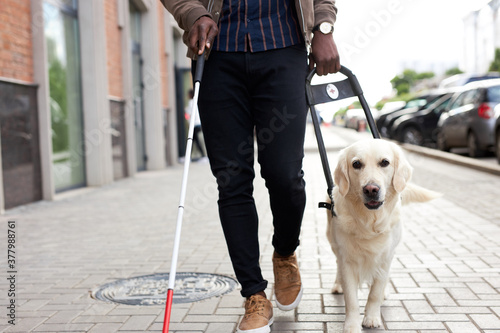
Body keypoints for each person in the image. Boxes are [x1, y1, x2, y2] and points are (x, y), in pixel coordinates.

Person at [162, 1, 340, 332]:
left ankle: (285, 253)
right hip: (217, 54)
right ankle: (254, 294)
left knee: (285, 175)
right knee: (232, 181)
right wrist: (192, 14)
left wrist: (323, 26)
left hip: (283, 48)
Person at [185, 89, 208, 162]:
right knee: (192, 140)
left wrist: (186, 114)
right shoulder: (196, 102)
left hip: (194, 124)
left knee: (195, 141)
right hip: (198, 123)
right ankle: (188, 157)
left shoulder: (191, 102)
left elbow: (189, 114)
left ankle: (203, 156)